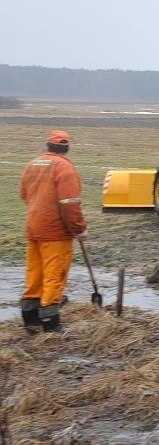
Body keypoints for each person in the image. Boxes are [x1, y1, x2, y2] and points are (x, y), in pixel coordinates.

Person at [19, 130, 87, 333]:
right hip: (56, 232)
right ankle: (51, 322)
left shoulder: (33, 164)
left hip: (33, 227)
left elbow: (24, 194)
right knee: (54, 274)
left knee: (35, 273)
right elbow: (70, 204)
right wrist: (79, 229)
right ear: (66, 148)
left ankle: (30, 319)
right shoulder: (65, 168)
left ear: (48, 146)